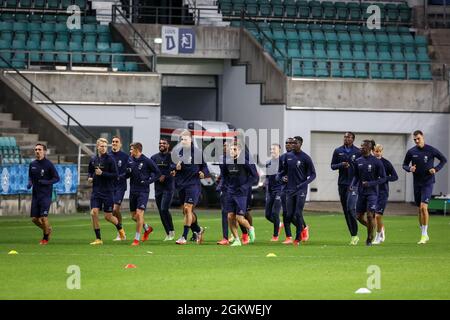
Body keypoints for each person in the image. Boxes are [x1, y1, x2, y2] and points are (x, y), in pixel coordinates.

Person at [402, 130, 447, 244]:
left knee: (423, 207)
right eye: (415, 139)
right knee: (419, 209)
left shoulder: (431, 150)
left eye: (418, 138)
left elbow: (443, 160)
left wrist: (435, 169)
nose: (417, 141)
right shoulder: (411, 152)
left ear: (423, 137)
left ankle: (424, 234)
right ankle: (423, 232)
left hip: (428, 182)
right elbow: (404, 165)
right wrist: (409, 168)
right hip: (417, 183)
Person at [171, 130, 209, 245]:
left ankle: (184, 237)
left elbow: (205, 167)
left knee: (187, 209)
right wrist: (174, 168)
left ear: (191, 140)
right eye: (182, 139)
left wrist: (203, 173)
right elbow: (172, 166)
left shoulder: (197, 153)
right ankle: (198, 230)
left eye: (186, 139)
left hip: (193, 185)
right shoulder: (178, 153)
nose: (184, 141)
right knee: (186, 211)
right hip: (181, 185)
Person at [278, 136, 316, 246]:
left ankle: (298, 238)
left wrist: (304, 184)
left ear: (300, 144)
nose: (293, 145)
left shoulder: (306, 158)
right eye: (292, 143)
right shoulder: (287, 157)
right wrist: (281, 178)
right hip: (290, 190)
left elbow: (313, 174)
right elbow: (281, 172)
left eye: (295, 143)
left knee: (298, 213)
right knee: (289, 214)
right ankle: (303, 230)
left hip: (301, 190)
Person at [88, 138, 125, 245]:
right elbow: (90, 171)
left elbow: (115, 175)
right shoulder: (93, 159)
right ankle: (98, 239)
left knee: (108, 217)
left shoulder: (110, 159)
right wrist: (90, 177)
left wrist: (102, 173)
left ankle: (120, 229)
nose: (104, 148)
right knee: (94, 213)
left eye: (105, 146)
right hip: (96, 192)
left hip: (108, 192)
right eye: (102, 146)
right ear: (97, 147)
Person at [220, 142, 257, 247]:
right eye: (231, 149)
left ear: (240, 151)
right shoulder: (226, 163)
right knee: (230, 216)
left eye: (235, 149)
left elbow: (255, 177)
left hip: (241, 194)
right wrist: (222, 187)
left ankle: (250, 228)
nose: (232, 151)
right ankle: (237, 239)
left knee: (239, 218)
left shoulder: (245, 163)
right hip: (230, 192)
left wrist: (245, 186)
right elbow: (224, 176)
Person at [124, 142, 161, 246]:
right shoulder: (130, 160)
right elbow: (128, 174)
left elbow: (158, 173)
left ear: (137, 150)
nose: (130, 151)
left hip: (143, 191)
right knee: (134, 216)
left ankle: (136, 239)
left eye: (131, 149)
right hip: (133, 191)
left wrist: (148, 182)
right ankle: (147, 228)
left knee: (139, 214)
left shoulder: (147, 161)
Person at [350, 140, 386, 246]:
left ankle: (369, 238)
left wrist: (370, 183)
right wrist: (353, 185)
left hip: (373, 193)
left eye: (363, 146)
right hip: (361, 192)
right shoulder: (358, 161)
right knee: (359, 217)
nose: (361, 148)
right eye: (361, 146)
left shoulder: (377, 162)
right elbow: (356, 176)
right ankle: (372, 227)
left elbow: (383, 178)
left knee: (370, 215)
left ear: (369, 148)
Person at [331, 131, 361, 245]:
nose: (346, 138)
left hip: (353, 184)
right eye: (345, 137)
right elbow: (332, 166)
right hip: (342, 184)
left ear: (353, 139)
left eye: (348, 137)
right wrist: (341, 165)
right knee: (345, 211)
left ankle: (355, 232)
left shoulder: (358, 152)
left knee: (350, 208)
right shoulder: (338, 151)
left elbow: (361, 167)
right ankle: (353, 236)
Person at [28, 143, 60, 245]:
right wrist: (30, 183)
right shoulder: (32, 164)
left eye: (39, 149)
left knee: (44, 217)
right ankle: (48, 229)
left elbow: (56, 178)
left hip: (45, 195)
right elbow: (30, 177)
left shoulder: (48, 164)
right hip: (36, 195)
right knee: (34, 219)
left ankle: (45, 238)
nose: (37, 151)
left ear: (44, 151)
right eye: (36, 149)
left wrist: (46, 182)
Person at [372, 144, 398, 245]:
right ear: (373, 151)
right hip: (372, 192)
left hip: (382, 192)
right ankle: (381, 229)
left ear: (382, 152)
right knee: (373, 216)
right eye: (376, 151)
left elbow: (395, 177)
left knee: (378, 216)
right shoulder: (370, 162)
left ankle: (377, 237)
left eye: (379, 151)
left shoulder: (386, 163)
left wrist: (384, 178)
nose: (377, 153)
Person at [151, 138, 176, 241]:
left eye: (164, 143)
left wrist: (166, 175)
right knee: (161, 212)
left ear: (168, 145)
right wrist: (157, 176)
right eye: (160, 143)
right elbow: (150, 170)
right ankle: (168, 233)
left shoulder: (172, 156)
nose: (161, 145)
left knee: (164, 209)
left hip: (168, 187)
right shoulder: (154, 157)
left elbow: (174, 167)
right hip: (158, 188)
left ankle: (172, 231)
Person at [109, 136, 130, 241]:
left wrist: (121, 176)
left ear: (120, 144)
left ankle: (121, 233)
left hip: (120, 186)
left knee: (115, 208)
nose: (114, 143)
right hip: (109, 187)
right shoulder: (107, 156)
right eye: (113, 142)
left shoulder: (125, 157)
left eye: (116, 142)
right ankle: (121, 232)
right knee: (112, 212)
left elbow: (129, 172)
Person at [265, 143, 283, 241]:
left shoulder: (283, 162)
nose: (272, 151)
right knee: (267, 215)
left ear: (279, 150)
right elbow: (268, 177)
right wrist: (266, 184)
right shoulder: (268, 163)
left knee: (275, 213)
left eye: (274, 149)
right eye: (271, 149)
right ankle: (279, 224)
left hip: (279, 191)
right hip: (270, 191)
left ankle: (275, 235)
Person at [279, 138, 293, 243]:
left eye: (290, 143)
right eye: (286, 143)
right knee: (285, 213)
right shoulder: (282, 157)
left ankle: (303, 227)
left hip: (296, 190)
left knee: (295, 213)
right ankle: (289, 237)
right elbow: (278, 174)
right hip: (285, 189)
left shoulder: (301, 157)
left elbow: (306, 174)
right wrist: (282, 178)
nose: (288, 145)